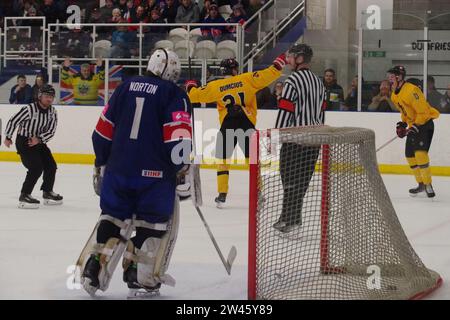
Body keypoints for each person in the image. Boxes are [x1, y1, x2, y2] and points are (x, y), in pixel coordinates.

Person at [79, 49, 192, 298]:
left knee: (112, 217)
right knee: (152, 224)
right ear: (172, 70)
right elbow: (179, 137)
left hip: (118, 172)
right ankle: (138, 277)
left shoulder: (124, 87)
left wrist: (102, 162)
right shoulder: (175, 94)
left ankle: (94, 269)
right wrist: (182, 167)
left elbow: (101, 132)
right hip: (155, 177)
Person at [185, 54, 285, 208]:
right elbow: (268, 74)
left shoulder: (215, 86)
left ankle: (222, 194)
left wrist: (191, 85)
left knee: (223, 161)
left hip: (228, 124)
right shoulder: (247, 78)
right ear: (234, 70)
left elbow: (194, 96)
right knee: (252, 161)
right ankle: (258, 194)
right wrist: (278, 64)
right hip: (247, 123)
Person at [274, 43, 326, 233]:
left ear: (300, 59)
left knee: (289, 179)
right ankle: (288, 217)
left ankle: (293, 220)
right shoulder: (318, 81)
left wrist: (278, 134)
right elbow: (321, 111)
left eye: (292, 56)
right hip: (314, 140)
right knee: (302, 180)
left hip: (295, 139)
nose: (288, 60)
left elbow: (286, 109)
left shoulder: (292, 80)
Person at [3, 84, 63, 209]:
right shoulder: (30, 109)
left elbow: (51, 130)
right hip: (24, 142)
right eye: (47, 96)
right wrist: (8, 137)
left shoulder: (52, 111)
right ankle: (25, 194)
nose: (49, 99)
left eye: (51, 97)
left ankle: (47, 192)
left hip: (39, 141)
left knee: (51, 166)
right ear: (40, 96)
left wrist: (39, 139)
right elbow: (13, 120)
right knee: (36, 168)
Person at [388, 65, 440, 198]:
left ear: (399, 77)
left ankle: (428, 185)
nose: (390, 79)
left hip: (425, 124)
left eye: (392, 76)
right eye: (390, 76)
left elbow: (423, 112)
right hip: (414, 125)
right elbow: (405, 112)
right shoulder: (394, 95)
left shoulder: (412, 90)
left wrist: (416, 125)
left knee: (420, 154)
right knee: (410, 156)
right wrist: (403, 123)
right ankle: (421, 184)